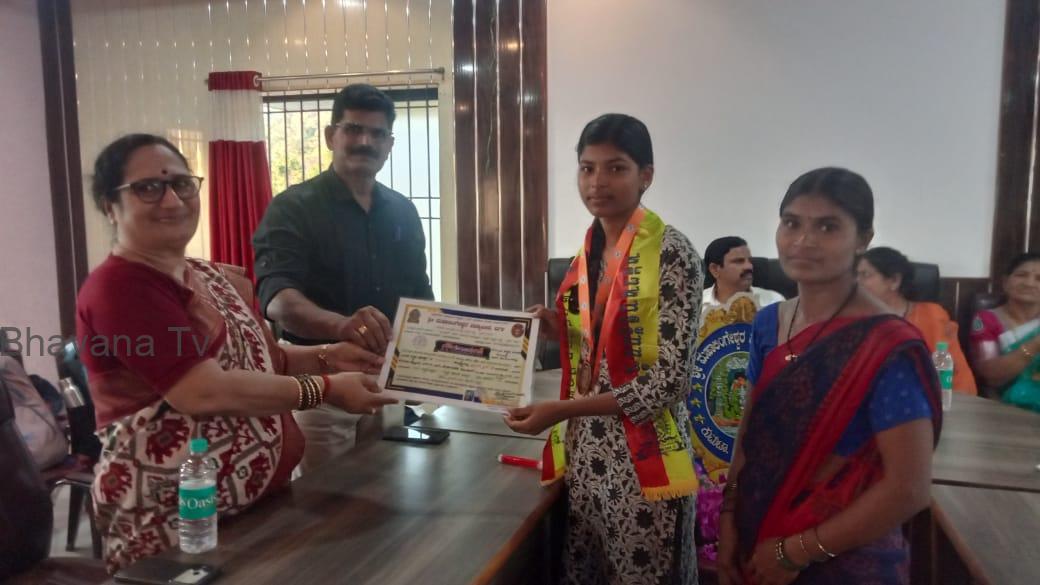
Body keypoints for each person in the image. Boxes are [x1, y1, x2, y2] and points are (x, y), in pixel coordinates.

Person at [77, 133, 396, 572]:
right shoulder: (121, 286)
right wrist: (324, 389)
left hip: (258, 513)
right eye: (148, 188)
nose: (172, 200)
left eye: (182, 184)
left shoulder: (205, 275)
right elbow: (202, 391)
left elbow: (267, 359)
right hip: (173, 525)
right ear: (110, 206)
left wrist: (329, 355)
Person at [717, 168, 941, 585]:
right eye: (791, 223)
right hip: (757, 541)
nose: (803, 240)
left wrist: (794, 553)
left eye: (827, 227)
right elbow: (748, 432)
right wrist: (728, 515)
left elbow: (909, 488)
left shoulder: (887, 345)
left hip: (849, 557)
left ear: (863, 238)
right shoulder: (768, 323)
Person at [506, 114, 701, 584]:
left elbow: (667, 383)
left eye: (616, 168)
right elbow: (604, 344)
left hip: (644, 464)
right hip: (587, 456)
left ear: (645, 175)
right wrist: (557, 329)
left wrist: (562, 409)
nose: (597, 182)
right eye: (587, 168)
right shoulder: (587, 252)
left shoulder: (671, 253)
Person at [253, 83, 434, 470]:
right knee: (323, 501)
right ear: (330, 135)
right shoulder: (292, 208)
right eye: (353, 129)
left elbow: (420, 295)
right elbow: (278, 299)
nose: (365, 141)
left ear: (389, 144)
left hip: (388, 384)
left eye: (377, 133)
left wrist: (430, 364)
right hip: (322, 389)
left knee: (392, 493)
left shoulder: (402, 211)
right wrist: (341, 325)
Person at [857, 246, 977, 394]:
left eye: (865, 275)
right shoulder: (857, 320)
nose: (857, 282)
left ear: (894, 281)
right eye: (856, 275)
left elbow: (952, 373)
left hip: (937, 398)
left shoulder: (931, 315)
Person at [970, 252, 1040, 408]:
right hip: (1007, 406)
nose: (1029, 283)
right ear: (1005, 282)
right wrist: (1035, 344)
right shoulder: (986, 320)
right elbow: (991, 375)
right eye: (1021, 275)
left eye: (1039, 279)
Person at [703, 236, 785, 314]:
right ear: (715, 269)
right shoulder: (698, 304)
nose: (749, 266)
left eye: (750, 260)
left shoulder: (773, 301)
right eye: (739, 261)